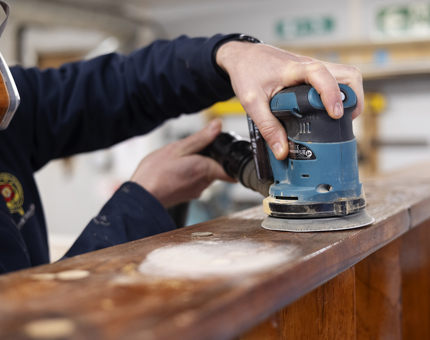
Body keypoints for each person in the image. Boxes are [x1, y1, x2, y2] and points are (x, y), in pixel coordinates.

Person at [0, 30, 364, 273]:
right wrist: (144, 201)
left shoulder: (10, 103)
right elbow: (27, 317)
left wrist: (231, 55)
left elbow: (126, 84)